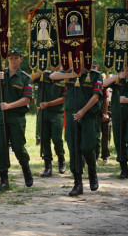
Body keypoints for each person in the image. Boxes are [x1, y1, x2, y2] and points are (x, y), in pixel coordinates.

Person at [50, 62, 103, 196]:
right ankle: (77, 183)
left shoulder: (95, 75)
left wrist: (83, 111)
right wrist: (70, 74)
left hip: (88, 116)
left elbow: (96, 96)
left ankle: (92, 172)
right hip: (71, 115)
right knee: (73, 148)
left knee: (87, 147)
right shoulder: (70, 72)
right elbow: (52, 76)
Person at [0, 48, 34, 192]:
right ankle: (4, 180)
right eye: (11, 58)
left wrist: (9, 106)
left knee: (18, 146)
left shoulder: (24, 78)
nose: (13, 60)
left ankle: (26, 169)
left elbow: (27, 99)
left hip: (16, 116)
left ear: (21, 59)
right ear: (7, 59)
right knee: (1, 148)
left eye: (16, 57)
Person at [31, 66, 66, 177]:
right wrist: (41, 70)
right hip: (43, 112)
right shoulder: (43, 75)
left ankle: (61, 160)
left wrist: (48, 104)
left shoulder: (64, 77)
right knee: (44, 139)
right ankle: (48, 166)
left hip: (56, 113)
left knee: (57, 139)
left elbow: (64, 98)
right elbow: (30, 79)